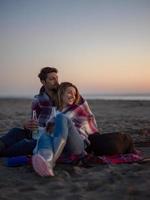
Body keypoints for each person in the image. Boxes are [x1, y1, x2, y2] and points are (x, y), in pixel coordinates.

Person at [32, 82, 99, 176]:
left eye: (75, 94)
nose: (73, 96)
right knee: (44, 136)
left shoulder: (78, 108)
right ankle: (46, 160)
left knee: (62, 118)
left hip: (77, 145)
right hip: (59, 143)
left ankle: (51, 163)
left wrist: (59, 123)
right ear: (61, 93)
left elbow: (90, 124)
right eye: (70, 93)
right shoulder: (55, 111)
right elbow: (49, 130)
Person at [0, 67, 59, 157]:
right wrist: (27, 125)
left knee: (26, 144)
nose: (56, 81)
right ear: (43, 82)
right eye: (52, 79)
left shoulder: (62, 97)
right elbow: (33, 121)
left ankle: (3, 153)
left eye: (56, 78)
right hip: (37, 133)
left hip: (49, 137)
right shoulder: (38, 99)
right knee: (15, 131)